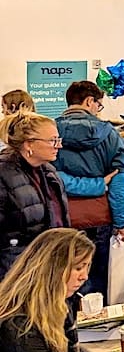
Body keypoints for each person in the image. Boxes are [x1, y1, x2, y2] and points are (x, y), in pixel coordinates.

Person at [54, 81, 124, 297]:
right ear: (89, 101)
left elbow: (51, 177)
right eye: (99, 105)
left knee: (63, 282)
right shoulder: (109, 134)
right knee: (96, 282)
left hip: (61, 216)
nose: (99, 110)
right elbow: (119, 179)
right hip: (98, 217)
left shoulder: (51, 132)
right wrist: (122, 221)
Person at [0, 113, 84, 279]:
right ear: (29, 144)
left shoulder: (49, 172)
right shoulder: (3, 174)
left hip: (50, 266)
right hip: (16, 272)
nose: (58, 146)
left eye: (58, 140)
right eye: (52, 140)